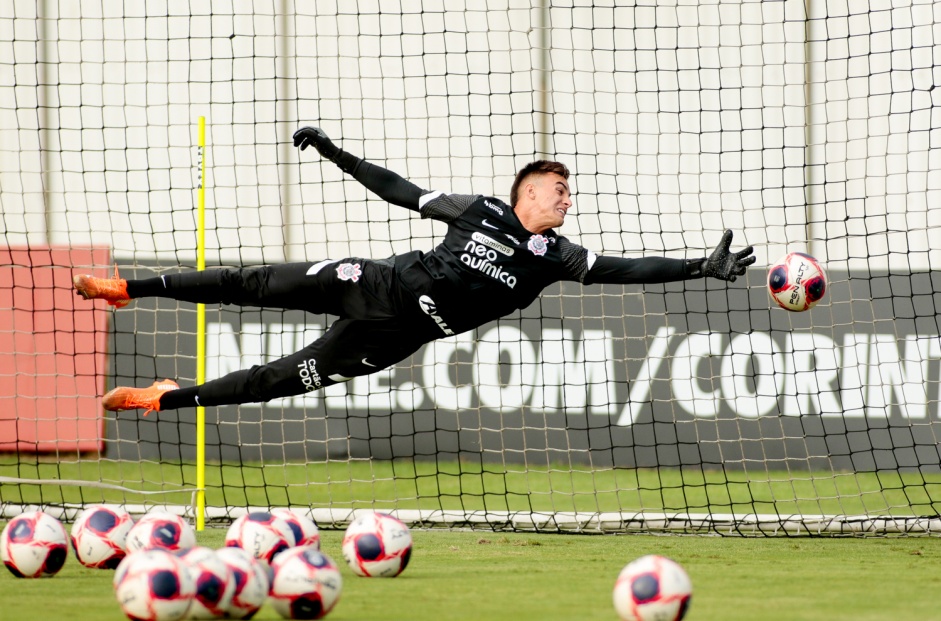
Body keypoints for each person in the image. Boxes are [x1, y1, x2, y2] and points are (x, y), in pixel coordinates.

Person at [72, 125, 756, 415]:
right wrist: (338, 155)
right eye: (557, 189)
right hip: (371, 282)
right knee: (251, 284)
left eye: (568, 192)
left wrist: (701, 265)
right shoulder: (481, 210)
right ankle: (127, 289)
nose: (566, 198)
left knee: (273, 381)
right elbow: (400, 189)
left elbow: (628, 268)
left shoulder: (558, 258)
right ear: (525, 194)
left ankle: (162, 396)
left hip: (390, 336)